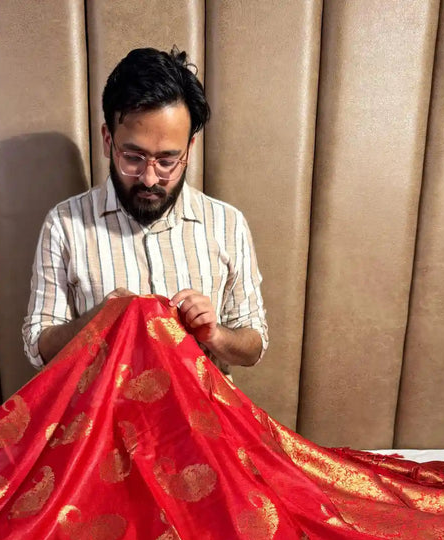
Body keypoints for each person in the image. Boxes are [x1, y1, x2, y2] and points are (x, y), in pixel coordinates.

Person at [22, 46, 267, 374]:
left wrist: (216, 335)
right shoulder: (64, 225)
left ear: (189, 150)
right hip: (100, 420)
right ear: (108, 140)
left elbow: (253, 345)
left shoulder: (227, 224)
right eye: (133, 157)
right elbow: (38, 346)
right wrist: (98, 319)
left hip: (201, 421)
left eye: (167, 160)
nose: (150, 178)